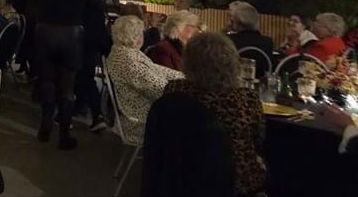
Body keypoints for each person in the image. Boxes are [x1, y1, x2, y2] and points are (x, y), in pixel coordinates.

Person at [163, 33, 266, 196]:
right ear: (232, 62)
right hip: (234, 182)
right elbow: (258, 140)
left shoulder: (174, 90)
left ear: (188, 62)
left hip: (180, 176)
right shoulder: (245, 99)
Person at [33, 0, 100, 149]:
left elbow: (36, 1)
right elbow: (93, 6)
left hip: (45, 32)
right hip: (71, 36)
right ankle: (64, 134)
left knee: (47, 80)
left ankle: (45, 126)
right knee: (67, 86)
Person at [104, 15, 184, 145]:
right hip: (141, 121)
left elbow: (157, 69)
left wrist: (183, 77)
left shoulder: (121, 51)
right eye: (142, 33)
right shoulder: (129, 62)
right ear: (136, 37)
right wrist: (187, 87)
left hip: (142, 112)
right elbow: (160, 90)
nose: (143, 36)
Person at [74, 0, 111, 132]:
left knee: (81, 77)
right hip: (95, 39)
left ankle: (94, 114)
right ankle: (87, 111)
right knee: (86, 76)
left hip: (81, 39)